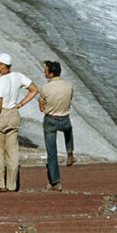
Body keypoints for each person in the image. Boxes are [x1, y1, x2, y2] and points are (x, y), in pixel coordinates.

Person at [0, 53, 39, 192]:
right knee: (12, 152)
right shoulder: (18, 76)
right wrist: (20, 104)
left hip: (1, 116)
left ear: (3, 65)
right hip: (13, 114)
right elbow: (34, 90)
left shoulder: (0, 82)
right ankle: (11, 185)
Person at [39, 60, 75, 191]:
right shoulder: (68, 85)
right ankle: (70, 151)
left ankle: (56, 182)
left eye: (46, 70)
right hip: (64, 118)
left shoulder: (45, 88)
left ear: (51, 73)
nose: (44, 72)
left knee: (52, 152)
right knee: (68, 130)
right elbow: (70, 98)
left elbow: (42, 107)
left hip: (51, 119)